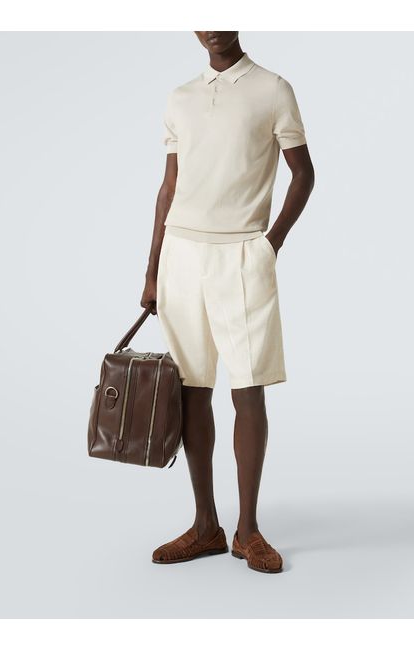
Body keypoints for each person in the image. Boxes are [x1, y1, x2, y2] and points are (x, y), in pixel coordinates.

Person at [141, 31, 315, 573]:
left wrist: (270, 245)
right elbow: (169, 187)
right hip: (181, 256)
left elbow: (304, 174)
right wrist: (152, 269)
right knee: (192, 391)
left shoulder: (273, 89)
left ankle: (248, 531)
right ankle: (206, 527)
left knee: (248, 389)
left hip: (242, 255)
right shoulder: (180, 97)